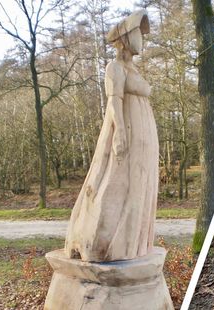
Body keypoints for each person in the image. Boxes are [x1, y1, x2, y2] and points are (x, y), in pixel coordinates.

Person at [65, 10, 159, 262]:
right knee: (115, 184)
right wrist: (119, 134)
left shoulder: (133, 69)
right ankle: (103, 242)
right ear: (127, 37)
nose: (142, 39)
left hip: (144, 135)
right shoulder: (114, 67)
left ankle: (133, 244)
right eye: (138, 33)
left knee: (140, 183)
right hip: (125, 131)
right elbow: (114, 101)